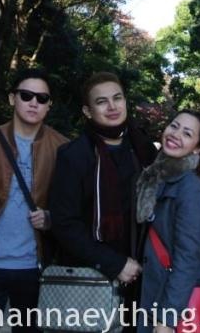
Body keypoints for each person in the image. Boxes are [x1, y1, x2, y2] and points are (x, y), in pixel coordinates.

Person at [0, 68, 69, 332]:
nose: (34, 102)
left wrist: (51, 218)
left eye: (42, 98)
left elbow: (73, 207)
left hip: (34, 267)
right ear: (13, 98)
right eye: (26, 95)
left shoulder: (63, 148)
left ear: (49, 106)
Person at [49, 71, 158, 299]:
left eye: (117, 98)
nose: (112, 106)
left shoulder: (144, 149)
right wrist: (115, 264)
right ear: (87, 111)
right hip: (90, 279)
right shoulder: (74, 155)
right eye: (101, 101)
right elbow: (65, 223)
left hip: (143, 274)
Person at [135, 110, 200, 333]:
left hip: (167, 299)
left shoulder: (190, 187)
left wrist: (168, 318)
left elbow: (187, 257)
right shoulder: (154, 177)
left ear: (197, 148)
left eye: (187, 133)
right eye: (174, 126)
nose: (176, 134)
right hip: (150, 290)